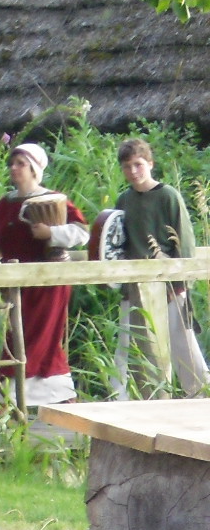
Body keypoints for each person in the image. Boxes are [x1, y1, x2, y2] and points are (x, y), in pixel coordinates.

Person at [0, 140, 88, 407]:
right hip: (15, 285)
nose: (14, 168)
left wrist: (51, 233)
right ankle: (46, 397)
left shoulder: (54, 199)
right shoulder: (4, 205)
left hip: (48, 283)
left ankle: (18, 399)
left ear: (34, 169)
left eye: (21, 163)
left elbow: (82, 232)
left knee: (42, 339)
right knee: (16, 338)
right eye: (12, 163)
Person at [111, 137, 206, 395]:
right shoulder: (124, 200)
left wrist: (178, 284)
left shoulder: (167, 196)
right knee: (129, 344)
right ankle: (123, 398)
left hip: (170, 285)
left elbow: (184, 242)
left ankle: (200, 395)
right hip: (135, 286)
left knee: (184, 345)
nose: (133, 171)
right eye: (127, 166)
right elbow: (117, 242)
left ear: (150, 164)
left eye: (138, 164)